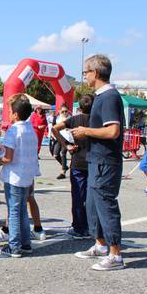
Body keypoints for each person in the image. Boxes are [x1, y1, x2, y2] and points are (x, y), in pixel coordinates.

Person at [72, 54, 125, 271]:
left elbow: (113, 131)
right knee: (93, 205)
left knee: (105, 205)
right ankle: (100, 245)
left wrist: (86, 131)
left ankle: (116, 255)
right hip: (96, 159)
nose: (84, 76)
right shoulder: (101, 97)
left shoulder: (109, 97)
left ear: (95, 73)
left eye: (85, 72)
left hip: (105, 161)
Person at [0, 94, 40, 257]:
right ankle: (25, 243)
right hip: (27, 175)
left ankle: (14, 246)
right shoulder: (30, 129)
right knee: (22, 211)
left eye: (11, 111)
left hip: (14, 176)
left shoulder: (13, 130)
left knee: (13, 211)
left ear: (15, 114)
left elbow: (8, 157)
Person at [53, 94, 94, 239]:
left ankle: (78, 227)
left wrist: (66, 145)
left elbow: (54, 129)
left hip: (77, 161)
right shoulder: (96, 120)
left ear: (80, 107)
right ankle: (90, 227)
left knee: (77, 196)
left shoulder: (74, 119)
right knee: (91, 197)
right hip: (93, 162)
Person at [53, 105, 70, 179]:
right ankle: (65, 166)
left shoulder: (70, 118)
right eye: (62, 111)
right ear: (59, 111)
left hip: (67, 138)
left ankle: (63, 172)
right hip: (59, 137)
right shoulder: (57, 118)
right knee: (55, 155)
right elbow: (53, 127)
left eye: (66, 111)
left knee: (63, 153)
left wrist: (69, 129)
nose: (64, 113)